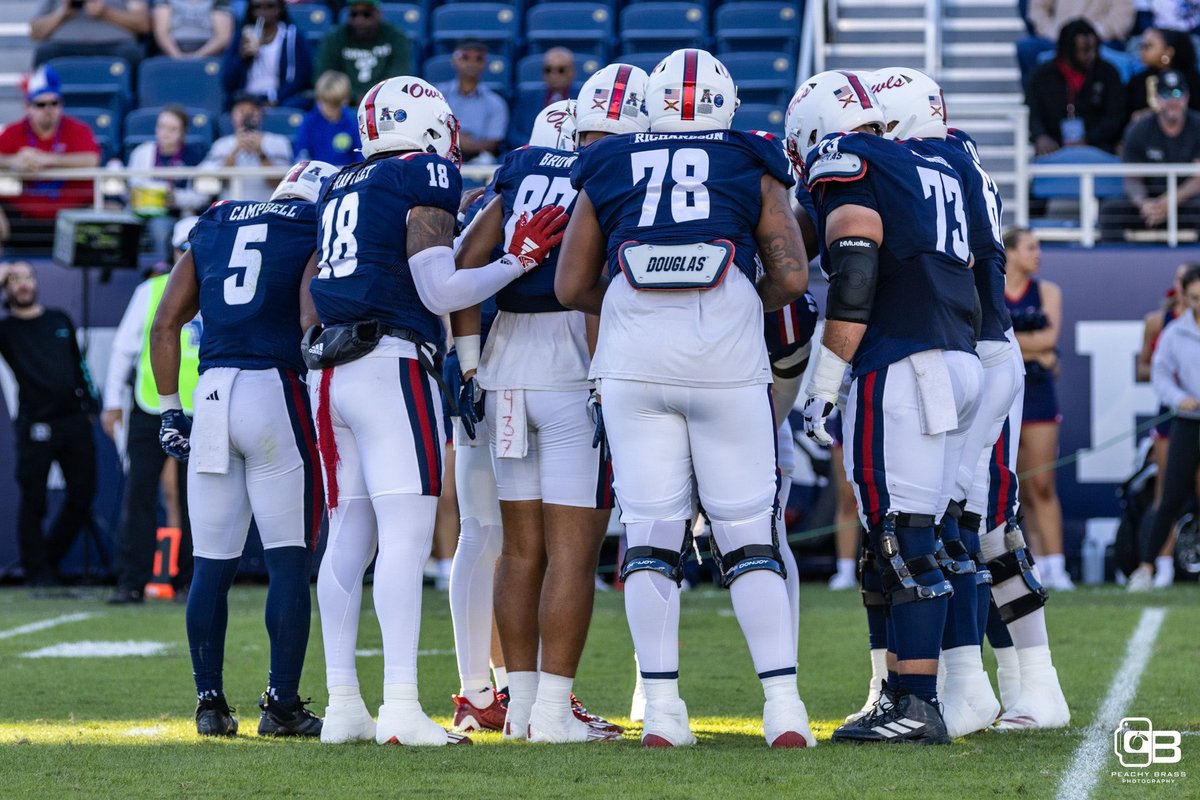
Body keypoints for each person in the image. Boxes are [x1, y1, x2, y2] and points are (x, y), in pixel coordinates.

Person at [558, 49, 813, 749]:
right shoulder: (750, 155)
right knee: (748, 533)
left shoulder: (607, 161)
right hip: (725, 357)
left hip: (635, 358)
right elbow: (791, 275)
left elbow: (569, 285)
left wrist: (633, 306)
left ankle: (664, 712)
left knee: (650, 534)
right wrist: (735, 304)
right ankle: (783, 707)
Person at [308, 75, 566, 747]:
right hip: (389, 365)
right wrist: (517, 259)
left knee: (347, 538)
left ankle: (343, 706)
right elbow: (440, 285)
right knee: (402, 534)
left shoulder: (340, 182)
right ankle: (397, 707)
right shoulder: (420, 172)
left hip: (329, 374)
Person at [871, 66, 1070, 734]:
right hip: (972, 347)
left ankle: (1027, 682)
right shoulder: (955, 153)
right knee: (958, 526)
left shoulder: (931, 161)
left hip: (978, 348)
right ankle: (981, 683)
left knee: (982, 530)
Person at [787, 69, 981, 745]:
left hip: (904, 360)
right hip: (956, 353)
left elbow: (857, 266)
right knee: (921, 530)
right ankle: (915, 692)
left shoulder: (849, 159)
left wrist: (824, 376)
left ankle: (917, 704)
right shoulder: (930, 160)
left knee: (900, 533)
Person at [451, 96, 619, 744]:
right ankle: (552, 711)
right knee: (571, 556)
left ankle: (519, 708)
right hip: (572, 363)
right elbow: (595, 281)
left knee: (517, 549)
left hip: (503, 370)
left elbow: (465, 265)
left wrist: (468, 364)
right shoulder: (602, 169)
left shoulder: (518, 169)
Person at [149, 159, 333, 738]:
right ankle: (280, 706)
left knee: (210, 565)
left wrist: (170, 409)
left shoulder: (217, 219)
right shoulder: (315, 224)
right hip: (274, 389)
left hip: (210, 392)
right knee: (287, 561)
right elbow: (314, 311)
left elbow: (165, 325)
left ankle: (210, 703)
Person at [103, 217, 202, 604]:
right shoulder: (151, 289)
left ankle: (195, 581)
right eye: (183, 250)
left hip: (205, 405)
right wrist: (113, 400)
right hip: (155, 404)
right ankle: (131, 580)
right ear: (173, 252)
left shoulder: (221, 287)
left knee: (202, 499)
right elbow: (124, 349)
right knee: (139, 492)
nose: (188, 257)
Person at [0, 261, 98, 586]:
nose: (23, 285)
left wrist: (90, 400)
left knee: (83, 493)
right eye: (14, 280)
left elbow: (79, 363)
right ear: (6, 288)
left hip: (73, 420)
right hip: (35, 423)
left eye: (27, 277)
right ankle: (38, 572)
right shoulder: (7, 330)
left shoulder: (59, 319)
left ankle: (49, 559)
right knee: (34, 499)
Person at [1003, 227, 1073, 591]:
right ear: (1011, 252)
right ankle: (1030, 562)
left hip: (1039, 395)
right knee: (1014, 487)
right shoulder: (992, 285)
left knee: (1043, 484)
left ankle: (1056, 566)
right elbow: (989, 336)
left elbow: (1049, 339)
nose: (1038, 254)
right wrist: (1037, 352)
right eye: (1030, 247)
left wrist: (1019, 343)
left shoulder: (1048, 291)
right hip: (1003, 394)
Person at [1128, 264, 1200, 591]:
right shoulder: (1174, 333)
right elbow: (1159, 375)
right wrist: (1179, 398)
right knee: (1169, 496)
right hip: (1186, 423)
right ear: (1185, 297)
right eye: (1195, 297)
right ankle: (1146, 567)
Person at [0, 67, 101, 250]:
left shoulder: (78, 129)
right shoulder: (14, 131)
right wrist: (13, 161)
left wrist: (48, 159)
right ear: (27, 107)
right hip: (21, 217)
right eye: (41, 105)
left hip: (73, 215)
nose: (49, 109)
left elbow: (91, 159)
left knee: (111, 209)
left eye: (54, 103)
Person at [1099, 69, 1200, 241]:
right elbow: (1132, 178)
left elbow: (1198, 179)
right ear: (1157, 99)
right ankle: (1122, 263)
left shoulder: (1197, 126)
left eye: (1177, 93)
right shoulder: (1139, 129)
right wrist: (1143, 202)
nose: (1173, 101)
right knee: (1110, 212)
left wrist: (1171, 201)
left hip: (1187, 202)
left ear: (1187, 97)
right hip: (1149, 206)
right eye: (1165, 95)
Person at [1025, 18, 1127, 156]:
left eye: (1095, 49)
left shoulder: (1107, 72)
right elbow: (1032, 111)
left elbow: (1116, 115)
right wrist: (1041, 135)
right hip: (1053, 146)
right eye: (1085, 50)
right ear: (1068, 49)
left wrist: (1088, 139)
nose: (1092, 55)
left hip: (1098, 146)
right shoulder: (1042, 75)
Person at [126, 105, 207, 260]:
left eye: (172, 129)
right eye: (162, 127)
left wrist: (176, 198)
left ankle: (162, 269)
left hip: (178, 213)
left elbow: (201, 195)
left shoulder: (195, 156)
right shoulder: (141, 152)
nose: (165, 133)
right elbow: (132, 184)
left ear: (183, 132)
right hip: (140, 210)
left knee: (160, 227)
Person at [1016, 0, 1134, 88]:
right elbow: (1038, 10)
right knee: (1027, 48)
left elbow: (1122, 18)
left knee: (1112, 55)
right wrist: (1055, 32)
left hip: (1099, 40)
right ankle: (1035, 102)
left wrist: (1089, 36)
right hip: (1057, 37)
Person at [314, 0, 411, 105]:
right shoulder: (335, 38)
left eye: (366, 14)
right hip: (343, 104)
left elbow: (399, 77)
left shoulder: (396, 37)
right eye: (354, 14)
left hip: (385, 103)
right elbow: (323, 77)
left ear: (378, 14)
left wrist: (371, 98)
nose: (359, 20)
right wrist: (354, 97)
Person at [199, 92, 293, 202]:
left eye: (252, 110)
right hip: (231, 211)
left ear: (261, 115)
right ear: (231, 115)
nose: (247, 115)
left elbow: (281, 184)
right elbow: (214, 184)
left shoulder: (278, 142)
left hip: (268, 210)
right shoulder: (221, 145)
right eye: (241, 111)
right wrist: (235, 151)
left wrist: (261, 153)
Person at [220, 0, 313, 109]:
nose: (264, 11)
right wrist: (241, 57)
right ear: (251, 10)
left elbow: (300, 78)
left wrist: (276, 99)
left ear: (280, 8)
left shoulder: (293, 36)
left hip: (280, 98)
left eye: (270, 6)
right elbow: (228, 83)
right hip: (247, 99)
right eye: (257, 7)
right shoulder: (242, 36)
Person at [437, 40, 508, 164]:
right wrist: (459, 140)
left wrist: (458, 140)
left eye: (478, 58)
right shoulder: (437, 96)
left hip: (477, 159)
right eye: (465, 57)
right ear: (454, 61)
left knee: (486, 161)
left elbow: (492, 144)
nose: (472, 63)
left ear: (485, 63)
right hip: (441, 153)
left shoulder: (496, 103)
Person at [30, 0, 150, 68]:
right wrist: (62, 13)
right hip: (64, 46)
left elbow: (143, 25)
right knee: (44, 52)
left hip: (115, 46)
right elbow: (35, 33)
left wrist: (105, 12)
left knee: (131, 53)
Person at [508, 47, 576, 147]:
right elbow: (513, 134)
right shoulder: (526, 98)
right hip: (531, 154)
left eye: (561, 70)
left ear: (572, 72)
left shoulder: (582, 99)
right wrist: (534, 147)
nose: (554, 74)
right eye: (548, 70)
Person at [1128, 27, 1200, 119]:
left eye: (1148, 46)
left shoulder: (1191, 80)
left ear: (1168, 52)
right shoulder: (1138, 81)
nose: (1142, 51)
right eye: (1141, 46)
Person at [294, 70, 361, 167]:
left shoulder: (354, 122)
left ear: (345, 101)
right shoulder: (310, 122)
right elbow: (301, 154)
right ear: (318, 99)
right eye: (324, 103)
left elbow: (360, 158)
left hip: (346, 177)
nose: (328, 109)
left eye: (334, 105)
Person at [150, 0, 233, 58]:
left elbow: (222, 37)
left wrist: (198, 56)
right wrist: (177, 56)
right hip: (171, 50)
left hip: (210, 51)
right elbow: (161, 33)